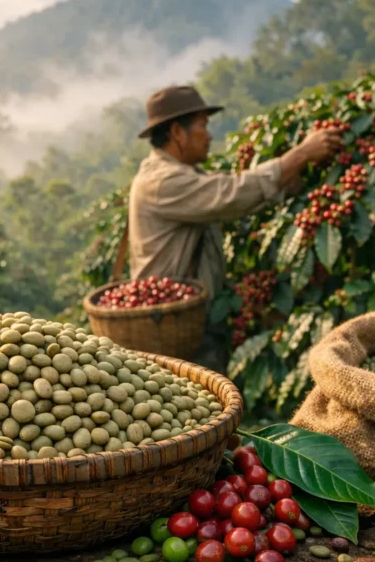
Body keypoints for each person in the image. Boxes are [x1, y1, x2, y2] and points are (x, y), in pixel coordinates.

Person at [127, 85, 342, 372]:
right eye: (203, 126)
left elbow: (233, 193)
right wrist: (300, 154)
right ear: (177, 132)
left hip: (188, 318)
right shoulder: (162, 182)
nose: (209, 135)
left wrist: (293, 178)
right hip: (173, 327)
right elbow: (231, 194)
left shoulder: (181, 173)